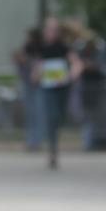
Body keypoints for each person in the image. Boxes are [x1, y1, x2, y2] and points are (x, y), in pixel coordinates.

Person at [32, 17, 82, 169]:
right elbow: (38, 67)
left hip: (62, 88)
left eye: (53, 29)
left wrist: (72, 75)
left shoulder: (63, 47)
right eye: (48, 29)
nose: (50, 32)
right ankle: (52, 150)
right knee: (51, 116)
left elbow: (76, 63)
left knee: (59, 116)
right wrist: (36, 75)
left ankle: (54, 145)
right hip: (48, 88)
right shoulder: (42, 48)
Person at [14, 27, 44, 151]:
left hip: (37, 84)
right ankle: (30, 140)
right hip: (27, 83)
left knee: (37, 113)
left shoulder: (40, 48)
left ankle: (37, 141)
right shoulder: (26, 48)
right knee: (29, 114)